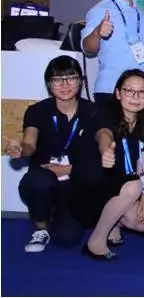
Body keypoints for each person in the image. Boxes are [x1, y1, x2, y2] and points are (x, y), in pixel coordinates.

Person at [3, 57, 98, 252]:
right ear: (49, 84)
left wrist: (70, 169)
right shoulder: (38, 110)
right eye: (57, 79)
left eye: (71, 78)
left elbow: (97, 156)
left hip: (77, 181)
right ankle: (41, 227)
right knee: (38, 182)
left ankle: (63, 214)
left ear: (80, 81)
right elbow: (29, 143)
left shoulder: (93, 111)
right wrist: (20, 149)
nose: (65, 85)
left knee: (66, 238)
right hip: (45, 176)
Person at [78, 70, 144, 260]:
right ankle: (95, 242)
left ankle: (113, 223)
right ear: (118, 93)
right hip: (91, 185)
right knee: (134, 186)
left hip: (120, 188)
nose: (135, 97)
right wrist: (106, 150)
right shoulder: (104, 114)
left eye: (142, 92)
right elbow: (103, 134)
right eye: (129, 91)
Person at [81, 0, 144, 110]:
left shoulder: (139, 11)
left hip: (140, 90)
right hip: (111, 89)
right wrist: (97, 33)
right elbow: (87, 48)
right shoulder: (100, 10)